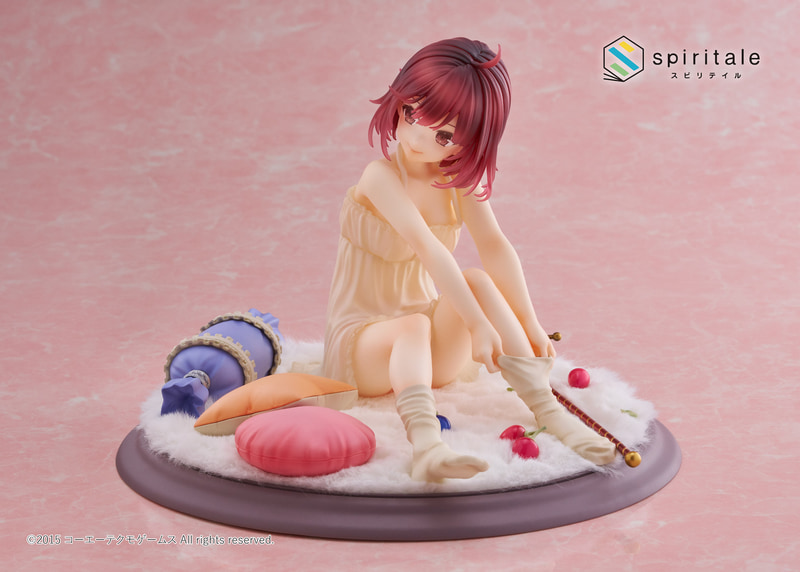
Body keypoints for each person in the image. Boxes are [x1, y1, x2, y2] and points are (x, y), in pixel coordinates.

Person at [322, 38, 615, 482]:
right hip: (362, 348)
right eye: (411, 113)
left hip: (428, 350)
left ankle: (550, 412)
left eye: (444, 135)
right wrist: (477, 324)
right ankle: (427, 445)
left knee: (475, 279)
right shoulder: (379, 177)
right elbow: (429, 249)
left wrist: (529, 322)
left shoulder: (455, 181)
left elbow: (494, 244)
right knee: (412, 325)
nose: (417, 138)